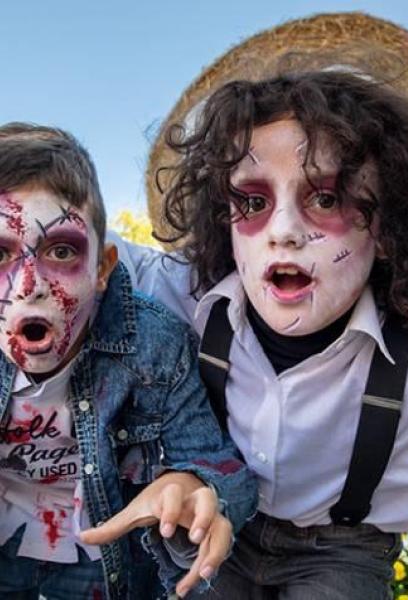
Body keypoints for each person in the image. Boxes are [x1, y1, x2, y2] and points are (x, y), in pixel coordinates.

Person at [103, 68, 408, 599]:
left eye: (325, 198)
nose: (283, 232)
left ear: (386, 230)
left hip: (343, 549)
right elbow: (77, 246)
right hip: (220, 521)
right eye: (252, 202)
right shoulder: (189, 298)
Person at [0, 122, 257, 600]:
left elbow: (219, 463)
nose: (26, 285)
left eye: (61, 251)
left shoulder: (154, 344)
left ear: (102, 268)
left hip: (97, 552)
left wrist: (198, 487)